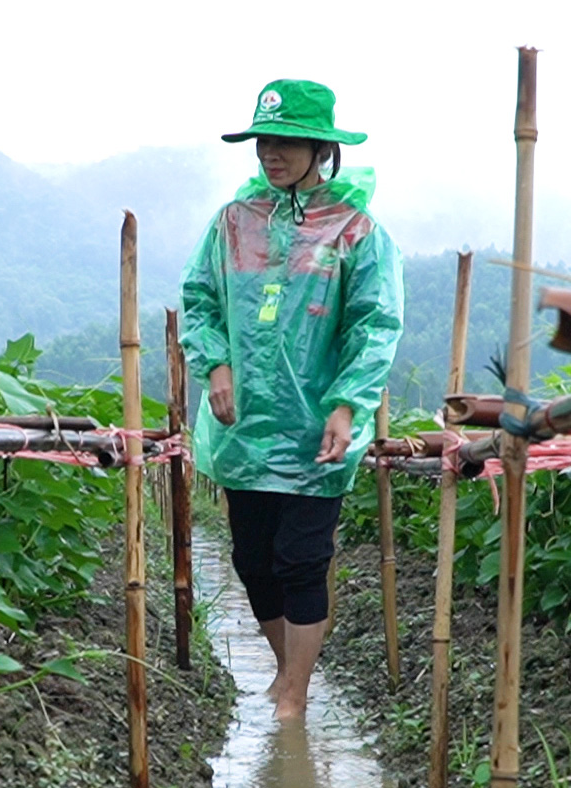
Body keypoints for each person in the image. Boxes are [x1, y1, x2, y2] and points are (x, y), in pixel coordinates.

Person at [180, 78, 402, 723]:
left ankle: (295, 698)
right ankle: (287, 672)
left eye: (285, 141)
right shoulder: (232, 222)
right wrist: (216, 365)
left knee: (301, 559)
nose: (270, 152)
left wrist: (347, 404)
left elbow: (373, 325)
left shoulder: (355, 230)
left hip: (317, 424)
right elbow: (200, 301)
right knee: (253, 561)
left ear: (320, 148)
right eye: (263, 141)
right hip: (244, 424)